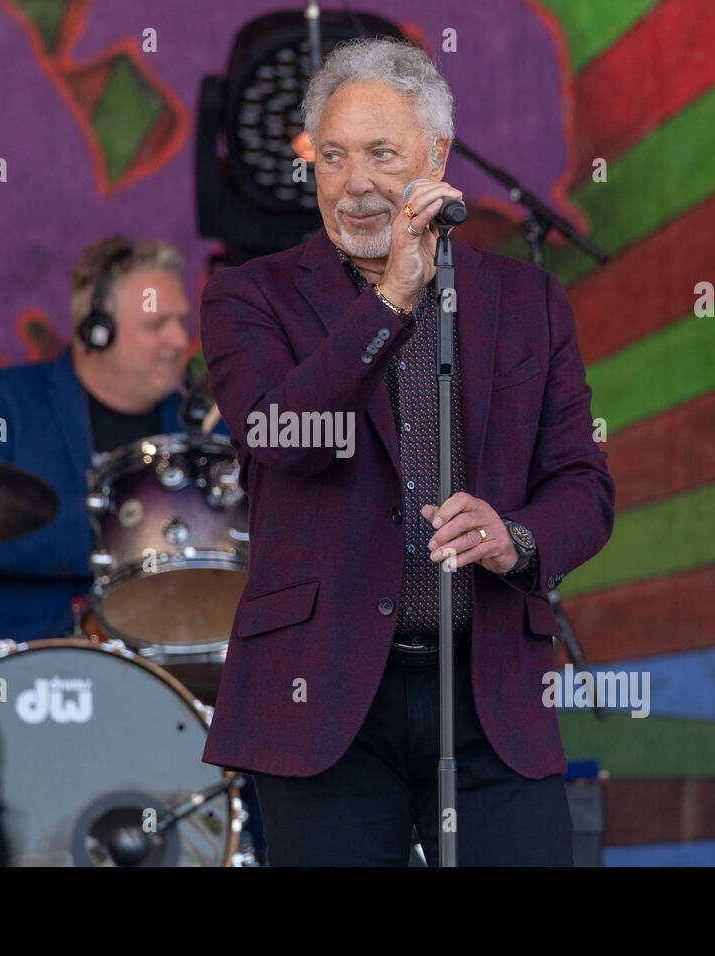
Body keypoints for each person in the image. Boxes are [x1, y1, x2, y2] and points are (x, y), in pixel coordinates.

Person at [199, 38, 615, 866]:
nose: (355, 183)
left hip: (488, 694)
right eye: (333, 157)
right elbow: (285, 440)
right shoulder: (251, 295)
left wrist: (516, 537)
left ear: (438, 157)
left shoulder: (527, 299)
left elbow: (582, 484)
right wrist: (393, 296)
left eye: (382, 155)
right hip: (321, 701)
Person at [0, 236, 194, 660]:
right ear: (97, 330)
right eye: (156, 324)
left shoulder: (200, 427)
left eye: (182, 322)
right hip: (21, 670)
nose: (179, 340)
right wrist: (123, 532)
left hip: (169, 677)